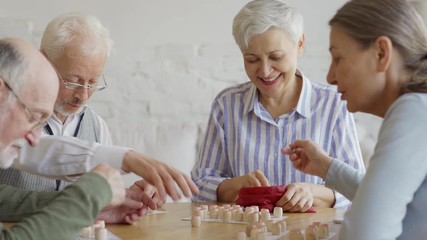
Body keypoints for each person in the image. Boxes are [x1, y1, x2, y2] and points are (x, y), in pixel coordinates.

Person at [191, 0, 364, 212]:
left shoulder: (333, 104)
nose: (264, 71)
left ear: (300, 44)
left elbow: (360, 191)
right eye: (252, 59)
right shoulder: (226, 105)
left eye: (276, 57)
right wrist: (233, 186)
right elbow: (198, 187)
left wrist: (312, 192)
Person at [282, 0, 427, 238]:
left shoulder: (413, 110)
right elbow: (386, 199)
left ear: (381, 53)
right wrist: (326, 166)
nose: (330, 77)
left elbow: (365, 232)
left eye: (338, 58)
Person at [0, 12, 164, 207]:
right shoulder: (13, 114)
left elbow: (102, 195)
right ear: (44, 60)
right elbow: (42, 150)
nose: (83, 96)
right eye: (73, 81)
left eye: (92, 82)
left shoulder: (95, 125)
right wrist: (124, 157)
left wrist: (127, 196)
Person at [0, 37, 150, 239]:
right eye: (33, 117)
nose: (36, 139)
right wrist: (88, 197)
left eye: (92, 82)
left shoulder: (95, 123)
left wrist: (89, 208)